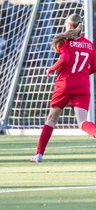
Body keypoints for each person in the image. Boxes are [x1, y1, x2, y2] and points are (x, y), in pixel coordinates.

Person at [31, 13, 96, 163]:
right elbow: (94, 66)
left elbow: (65, 59)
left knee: (51, 119)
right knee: (82, 123)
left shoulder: (64, 41)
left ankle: (39, 154)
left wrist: (51, 69)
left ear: (68, 25)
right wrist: (82, 74)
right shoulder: (89, 44)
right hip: (83, 85)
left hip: (65, 83)